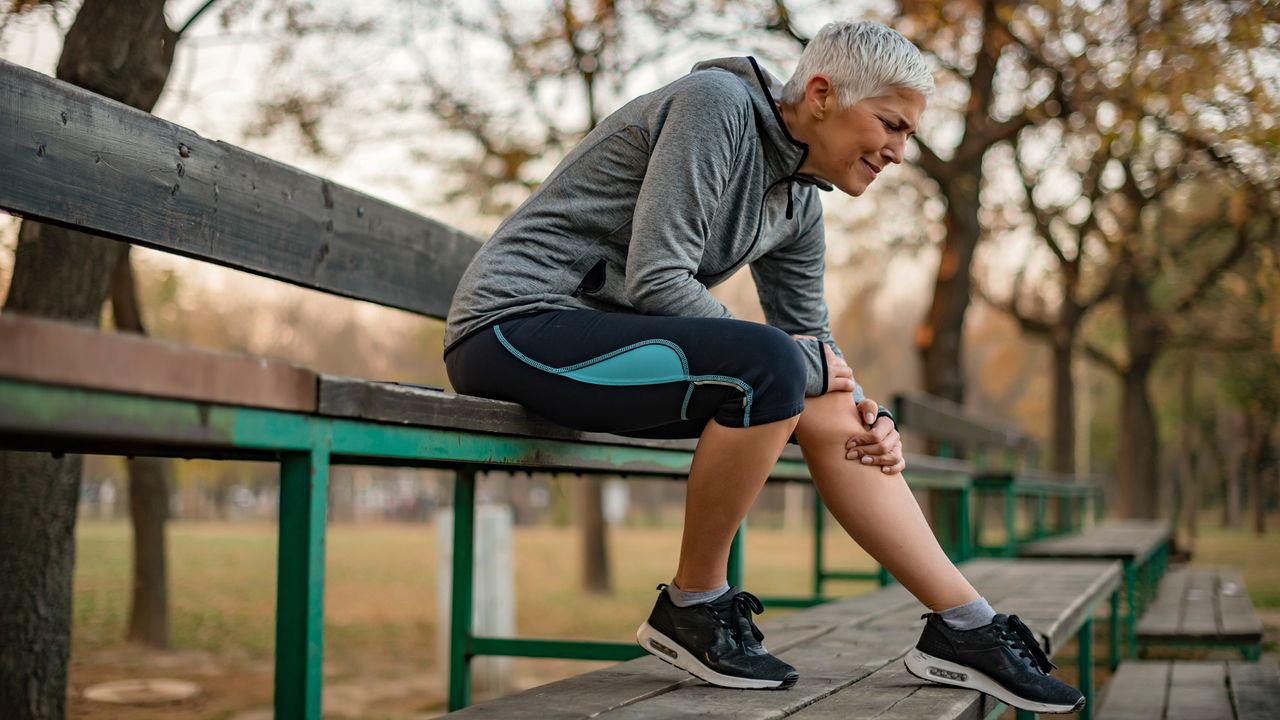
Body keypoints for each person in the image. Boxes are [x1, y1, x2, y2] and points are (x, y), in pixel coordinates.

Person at [443, 20, 1085, 715]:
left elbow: (814, 339)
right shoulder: (714, 104)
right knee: (775, 367)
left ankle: (966, 626)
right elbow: (660, 279)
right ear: (820, 93)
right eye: (890, 125)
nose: (898, 152)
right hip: (512, 329)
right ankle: (693, 605)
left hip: (611, 348)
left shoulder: (800, 203)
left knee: (820, 392)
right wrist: (799, 361)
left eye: (907, 136)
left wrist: (872, 415)